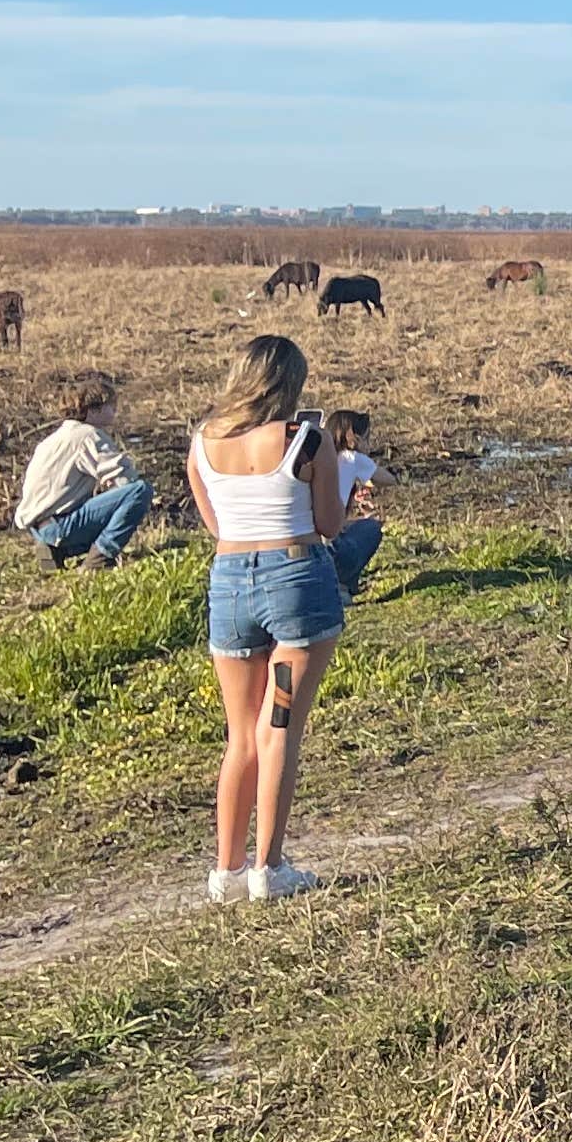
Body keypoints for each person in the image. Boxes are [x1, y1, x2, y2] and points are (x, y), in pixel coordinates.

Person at [185, 334, 346, 909]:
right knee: (278, 728)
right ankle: (268, 868)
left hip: (230, 583)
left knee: (240, 735)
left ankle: (226, 870)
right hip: (296, 578)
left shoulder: (202, 443)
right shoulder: (306, 440)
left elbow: (215, 524)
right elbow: (329, 523)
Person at [10, 374, 149, 570]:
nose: (115, 411)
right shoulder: (89, 436)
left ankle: (54, 550)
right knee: (140, 491)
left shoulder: (53, 439)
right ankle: (100, 559)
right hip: (61, 526)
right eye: (110, 406)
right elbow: (123, 478)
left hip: (40, 527)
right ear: (93, 411)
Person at [322, 407, 386, 595]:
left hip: (304, 551)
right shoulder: (352, 458)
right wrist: (365, 475)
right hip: (331, 553)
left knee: (348, 526)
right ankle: (343, 583)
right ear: (354, 438)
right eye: (366, 438)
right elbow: (389, 480)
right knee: (371, 527)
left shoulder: (318, 460)